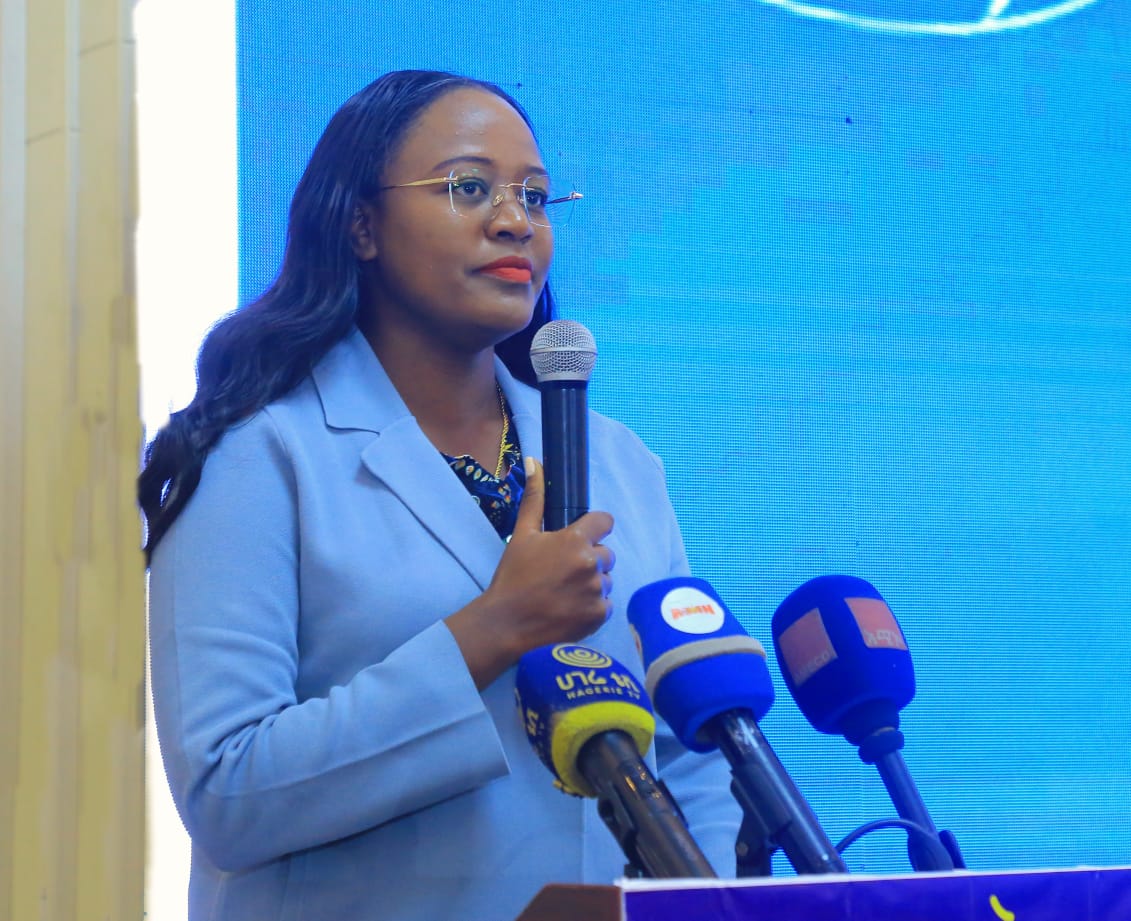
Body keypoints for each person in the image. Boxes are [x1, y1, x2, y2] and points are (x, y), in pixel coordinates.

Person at [141, 69, 739, 921]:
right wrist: (496, 627)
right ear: (360, 225)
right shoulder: (257, 456)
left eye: (535, 197)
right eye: (469, 187)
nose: (514, 220)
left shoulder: (620, 463)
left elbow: (686, 751)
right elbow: (227, 792)